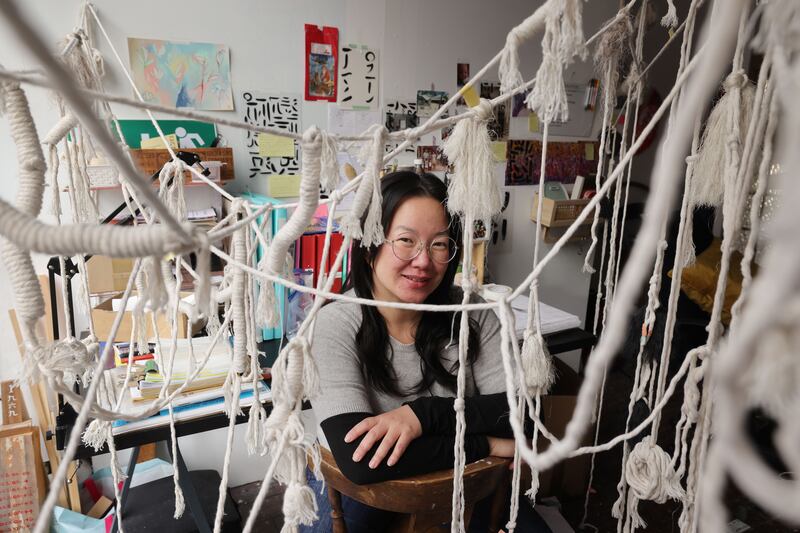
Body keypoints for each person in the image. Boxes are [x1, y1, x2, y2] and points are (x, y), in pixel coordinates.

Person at [303, 171, 548, 532]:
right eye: (405, 240)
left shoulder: (474, 314)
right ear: (371, 244)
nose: (423, 261)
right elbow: (360, 461)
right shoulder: (333, 324)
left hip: (461, 482)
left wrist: (423, 416)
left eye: (439, 244)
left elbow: (522, 416)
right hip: (365, 491)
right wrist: (487, 442)